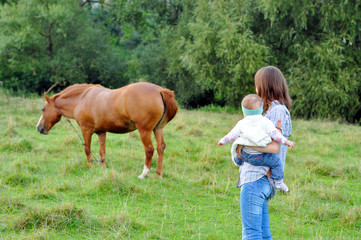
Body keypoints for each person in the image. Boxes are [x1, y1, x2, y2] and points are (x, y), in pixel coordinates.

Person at [220, 66, 293, 239]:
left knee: (251, 234)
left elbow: (274, 147)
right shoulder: (270, 111)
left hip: (256, 178)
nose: (256, 89)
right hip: (262, 179)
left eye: (257, 85)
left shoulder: (277, 111)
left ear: (265, 86)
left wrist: (242, 146)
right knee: (262, 233)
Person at [218, 94, 294, 192]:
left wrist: (222, 141)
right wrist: (285, 141)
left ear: (244, 112)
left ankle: (237, 161)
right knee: (276, 162)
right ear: (261, 109)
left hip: (245, 154)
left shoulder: (242, 123)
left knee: (236, 148)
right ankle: (279, 182)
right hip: (259, 157)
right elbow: (275, 134)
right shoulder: (265, 122)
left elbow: (232, 135)